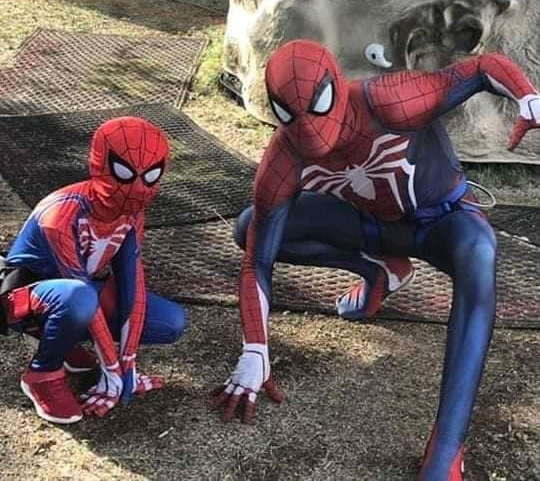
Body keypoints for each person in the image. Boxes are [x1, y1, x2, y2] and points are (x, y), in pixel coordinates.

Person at [209, 39, 540, 481]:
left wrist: (527, 97)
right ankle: (379, 268)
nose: (310, 131)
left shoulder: (390, 101)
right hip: (373, 225)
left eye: (317, 106)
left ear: (335, 86)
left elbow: (482, 68)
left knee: (479, 254)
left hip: (442, 222)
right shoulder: (285, 155)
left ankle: (446, 449)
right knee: (249, 226)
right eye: (291, 115)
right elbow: (257, 259)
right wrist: (255, 347)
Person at [0, 116, 187, 424]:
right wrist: (111, 370)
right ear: (99, 164)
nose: (137, 189)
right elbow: (79, 285)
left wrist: (127, 366)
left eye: (150, 176)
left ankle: (65, 344)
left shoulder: (131, 215)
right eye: (125, 173)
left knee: (170, 322)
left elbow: (131, 283)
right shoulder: (62, 214)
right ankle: (42, 375)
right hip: (22, 302)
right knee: (80, 297)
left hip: (74, 294)